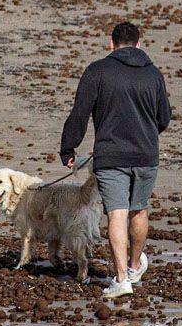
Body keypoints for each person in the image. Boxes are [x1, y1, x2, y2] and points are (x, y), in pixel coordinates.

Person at [60, 20, 170, 301]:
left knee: (116, 214)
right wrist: (145, 135)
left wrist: (68, 149)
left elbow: (80, 113)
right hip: (146, 154)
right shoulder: (154, 75)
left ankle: (122, 279)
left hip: (111, 155)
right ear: (139, 44)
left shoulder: (97, 71)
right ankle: (134, 267)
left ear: (111, 44)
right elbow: (164, 118)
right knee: (140, 210)